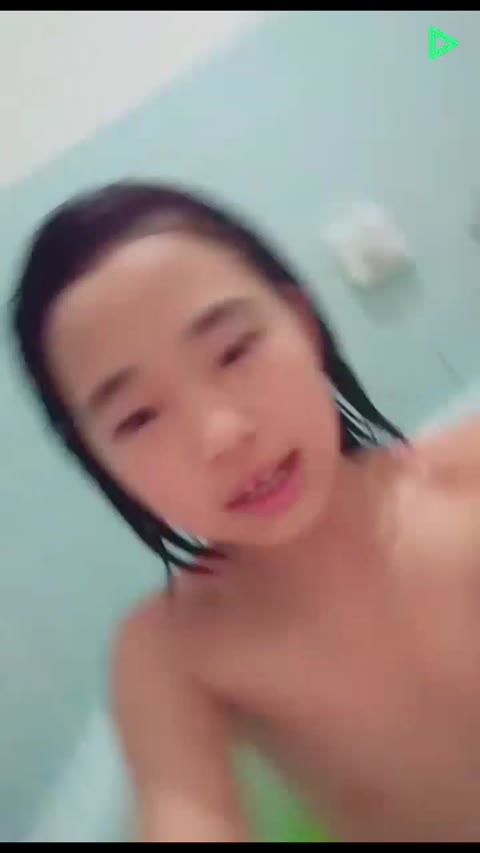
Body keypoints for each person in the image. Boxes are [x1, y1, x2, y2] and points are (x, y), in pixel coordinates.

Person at [10, 182, 480, 843]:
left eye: (234, 351)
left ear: (303, 323)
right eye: (138, 417)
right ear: (100, 462)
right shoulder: (176, 653)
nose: (222, 435)